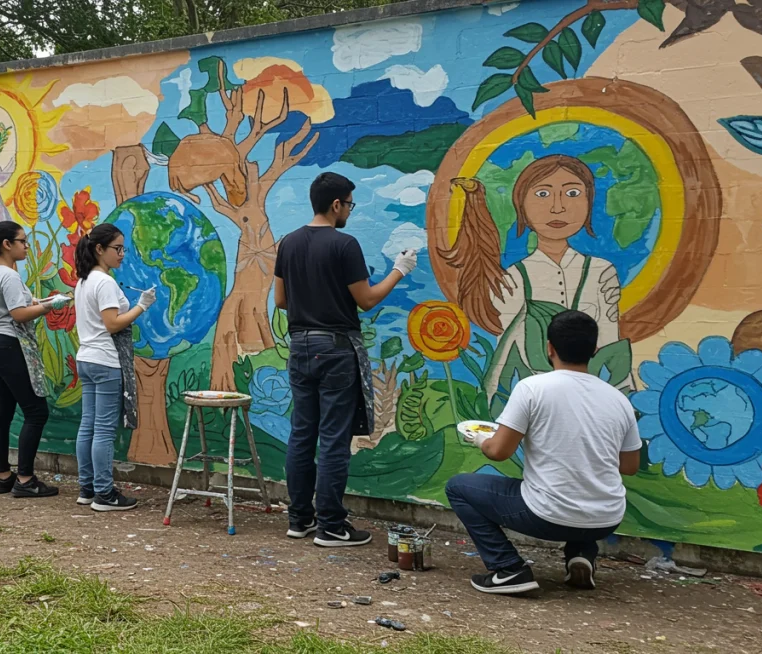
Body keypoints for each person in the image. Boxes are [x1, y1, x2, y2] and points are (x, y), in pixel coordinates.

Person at [445, 310, 642, 595]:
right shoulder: (619, 400)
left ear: (549, 347)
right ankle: (581, 555)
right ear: (595, 350)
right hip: (606, 519)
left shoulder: (532, 389)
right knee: (585, 476)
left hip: (546, 517)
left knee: (459, 487)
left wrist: (479, 439)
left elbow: (499, 451)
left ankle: (509, 568)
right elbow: (629, 465)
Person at [274, 172, 416, 547]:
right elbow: (366, 300)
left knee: (302, 434)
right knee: (334, 439)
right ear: (336, 204)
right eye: (350, 204)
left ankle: (300, 519)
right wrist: (399, 272)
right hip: (336, 349)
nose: (350, 211)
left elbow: (281, 301)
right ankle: (332, 526)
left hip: (300, 345)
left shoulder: (287, 243)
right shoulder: (345, 244)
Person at [442, 155, 628, 395]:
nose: (557, 207)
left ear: (589, 202)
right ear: (521, 205)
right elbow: (505, 356)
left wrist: (620, 399)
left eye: (572, 194)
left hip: (590, 396)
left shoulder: (601, 272)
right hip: (536, 399)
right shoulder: (515, 278)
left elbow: (612, 348)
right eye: (542, 194)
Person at [0, 221, 68, 498]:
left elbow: (15, 305)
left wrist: (43, 300)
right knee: (36, 412)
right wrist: (50, 306)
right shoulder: (9, 275)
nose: (26, 246)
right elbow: (18, 314)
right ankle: (25, 479)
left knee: (1, 415)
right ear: (7, 245)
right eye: (22, 241)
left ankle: (3, 477)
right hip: (8, 346)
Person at [74, 223, 154, 512]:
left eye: (123, 248)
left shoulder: (84, 280)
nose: (122, 254)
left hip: (87, 357)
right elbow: (112, 324)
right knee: (104, 430)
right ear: (99, 249)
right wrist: (142, 305)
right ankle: (104, 494)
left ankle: (88, 487)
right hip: (105, 361)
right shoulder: (104, 282)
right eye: (117, 248)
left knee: (89, 425)